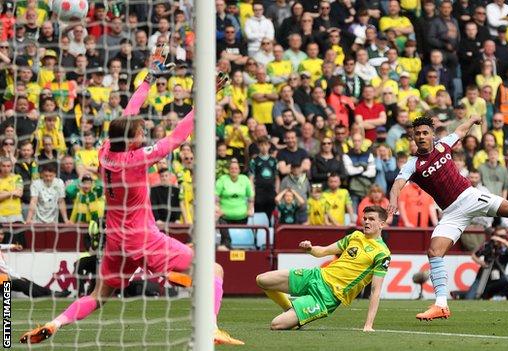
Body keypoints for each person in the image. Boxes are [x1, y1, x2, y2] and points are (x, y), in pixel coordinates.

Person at [20, 47, 231, 344]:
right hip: (143, 238)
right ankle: (210, 329)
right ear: (131, 140)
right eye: (140, 133)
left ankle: (56, 323)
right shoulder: (137, 159)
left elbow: (129, 111)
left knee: (98, 294)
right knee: (213, 269)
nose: (143, 135)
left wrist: (149, 79)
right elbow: (177, 136)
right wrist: (207, 98)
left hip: (116, 240)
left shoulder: (106, 150)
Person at [387, 116, 508, 321]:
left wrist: (473, 118)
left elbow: (461, 130)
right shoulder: (413, 164)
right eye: (417, 134)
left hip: (470, 196)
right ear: (413, 136)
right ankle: (441, 304)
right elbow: (397, 184)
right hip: (451, 213)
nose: (421, 137)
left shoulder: (443, 145)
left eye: (424, 133)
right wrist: (393, 200)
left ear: (431, 134)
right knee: (434, 251)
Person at [256, 205, 391, 331]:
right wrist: (310, 248)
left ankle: (296, 315)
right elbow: (323, 251)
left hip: (327, 296)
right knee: (262, 280)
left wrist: (368, 325)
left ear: (381, 224)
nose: (366, 222)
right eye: (365, 218)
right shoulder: (355, 236)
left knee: (276, 325)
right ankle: (289, 308)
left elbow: (375, 290)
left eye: (371, 219)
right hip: (317, 275)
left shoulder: (382, 253)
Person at [0, 229, 70, 298]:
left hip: (4, 279)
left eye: (2, 234)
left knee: (27, 282)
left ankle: (52, 293)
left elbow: (3, 246)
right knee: (22, 283)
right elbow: (3, 267)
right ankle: (48, 296)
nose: (1, 236)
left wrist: (14, 246)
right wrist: (17, 277)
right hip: (3, 281)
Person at [466, 227, 508, 300]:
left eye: (502, 236)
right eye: (498, 236)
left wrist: (502, 241)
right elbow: (474, 255)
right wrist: (481, 263)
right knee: (469, 298)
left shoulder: (505, 249)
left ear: (506, 236)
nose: (499, 238)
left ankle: (498, 296)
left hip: (498, 279)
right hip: (483, 277)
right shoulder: (487, 245)